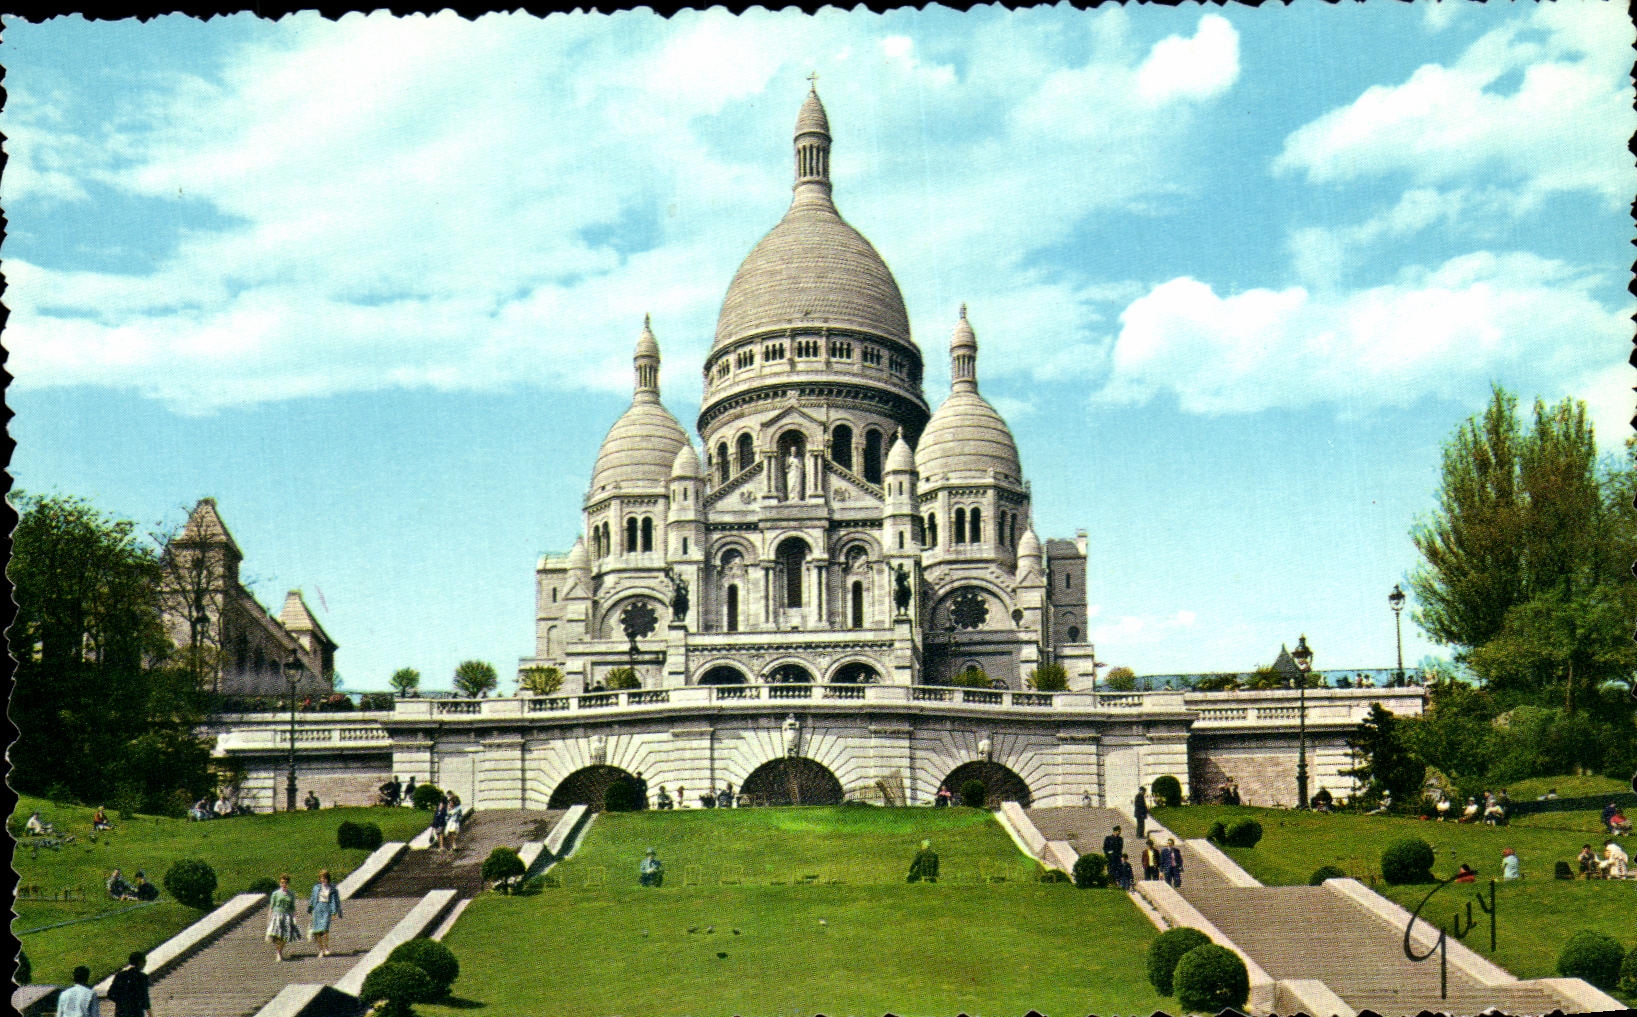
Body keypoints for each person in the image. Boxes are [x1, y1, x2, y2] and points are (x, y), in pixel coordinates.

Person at [266, 874, 303, 961]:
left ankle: (280, 950)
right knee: (278, 935)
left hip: (287, 916)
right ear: (280, 883)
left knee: (285, 936)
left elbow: (293, 907)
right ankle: (278, 953)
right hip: (277, 915)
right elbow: (271, 906)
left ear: (288, 884)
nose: (284, 884)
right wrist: (269, 918)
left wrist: (294, 918)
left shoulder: (291, 894)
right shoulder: (275, 894)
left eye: (285, 883)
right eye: (282, 882)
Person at [307, 869, 343, 957]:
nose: (323, 879)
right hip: (317, 908)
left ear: (328, 878)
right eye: (321, 878)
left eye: (325, 878)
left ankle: (326, 947)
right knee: (317, 931)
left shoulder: (332, 889)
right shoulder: (316, 888)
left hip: (327, 909)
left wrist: (335, 912)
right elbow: (312, 899)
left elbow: (335, 901)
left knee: (325, 929)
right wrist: (310, 908)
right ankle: (321, 950)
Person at [107, 952, 151, 1017]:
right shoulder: (142, 977)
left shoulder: (120, 975)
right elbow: (145, 998)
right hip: (136, 1013)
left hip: (121, 1012)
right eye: (144, 961)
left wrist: (121, 1001)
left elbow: (110, 994)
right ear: (140, 962)